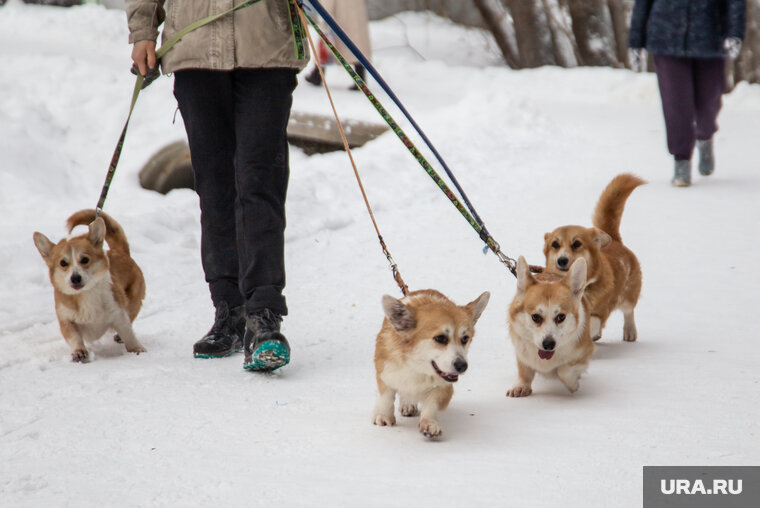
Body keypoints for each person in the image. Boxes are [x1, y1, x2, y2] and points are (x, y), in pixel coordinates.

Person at [126, 0, 308, 371]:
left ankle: (264, 315)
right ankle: (229, 310)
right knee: (214, 188)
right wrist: (143, 29)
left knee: (259, 183)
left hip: (266, 46)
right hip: (193, 45)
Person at [629, 0, 746, 187]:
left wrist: (735, 33)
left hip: (711, 38)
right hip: (666, 38)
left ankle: (705, 135)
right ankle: (681, 160)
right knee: (676, 103)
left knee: (708, 102)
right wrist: (636, 41)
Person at [303, 0, 372, 90]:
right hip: (355, 15)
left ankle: (317, 74)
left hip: (340, 18)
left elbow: (327, 5)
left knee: (325, 44)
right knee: (357, 47)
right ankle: (360, 78)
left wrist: (323, 18)